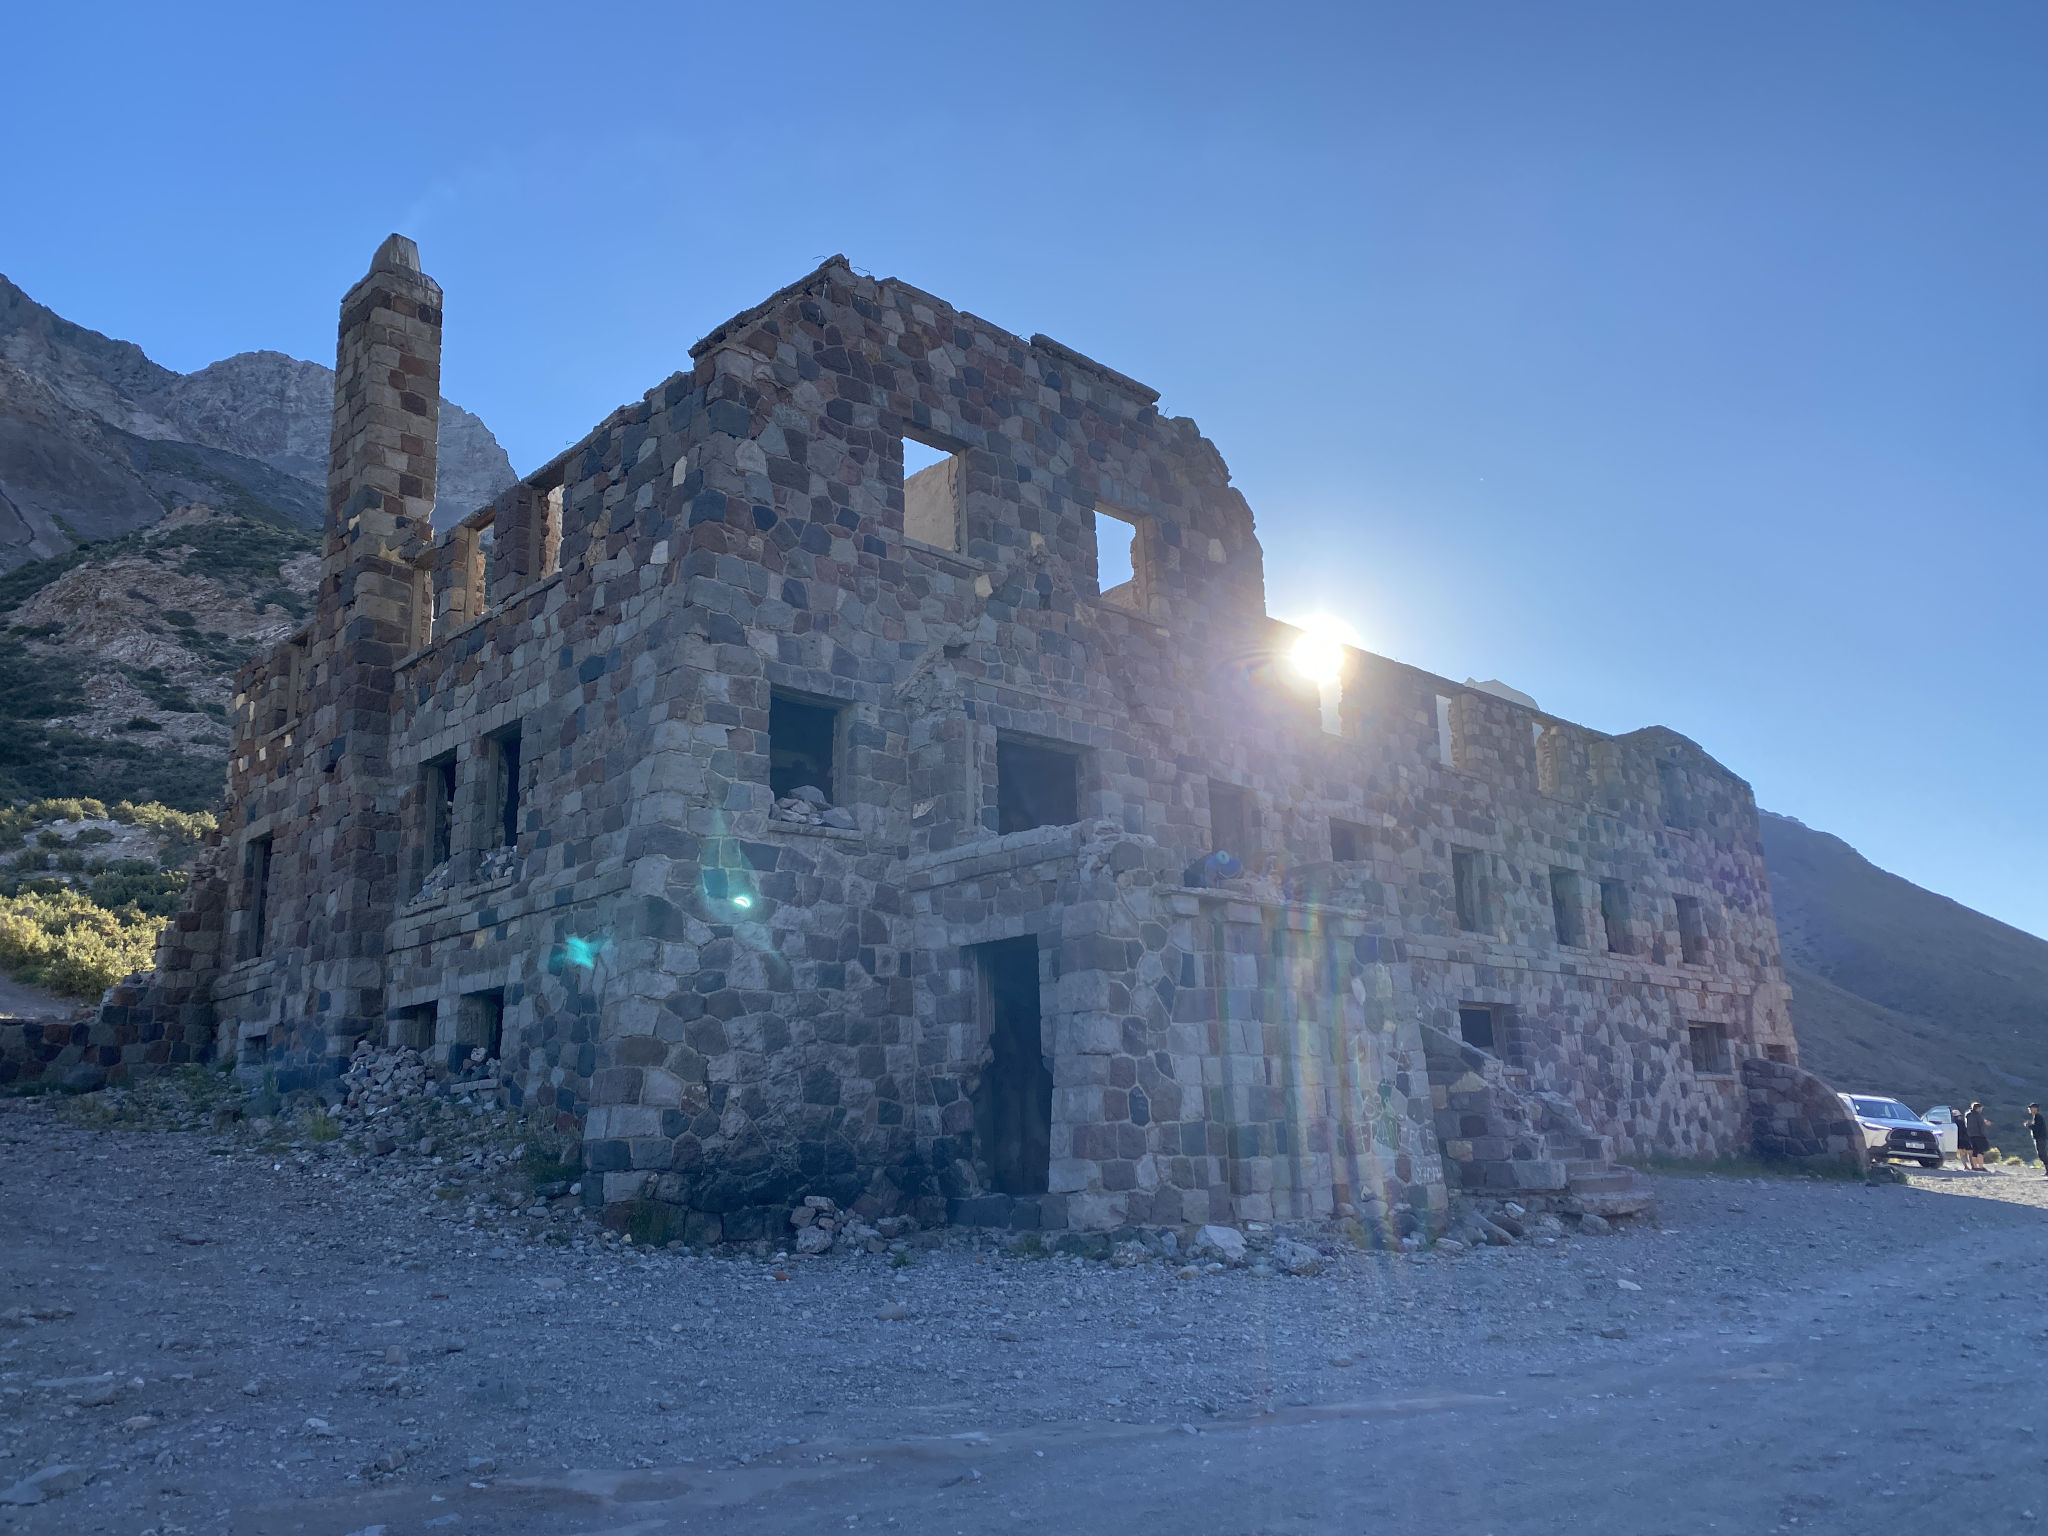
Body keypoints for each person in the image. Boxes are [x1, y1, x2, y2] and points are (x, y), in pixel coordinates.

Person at [1963, 1101, 1991, 1172]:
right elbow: (1981, 1127)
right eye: (1981, 1108)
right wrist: (1984, 1135)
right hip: (1979, 1135)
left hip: (1970, 1135)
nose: (1981, 1110)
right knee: (1980, 1151)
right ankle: (1981, 1167)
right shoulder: (1978, 1116)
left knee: (1974, 1151)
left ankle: (1974, 1167)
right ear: (1978, 1108)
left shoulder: (1968, 1115)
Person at [2027, 1103, 2048, 1177]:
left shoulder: (2037, 1117)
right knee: (2042, 1154)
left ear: (2035, 1108)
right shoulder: (2036, 1117)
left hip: (2040, 1138)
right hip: (2040, 1138)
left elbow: (2036, 1128)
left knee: (2042, 1155)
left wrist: (2029, 1125)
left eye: (2031, 1108)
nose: (2030, 1109)